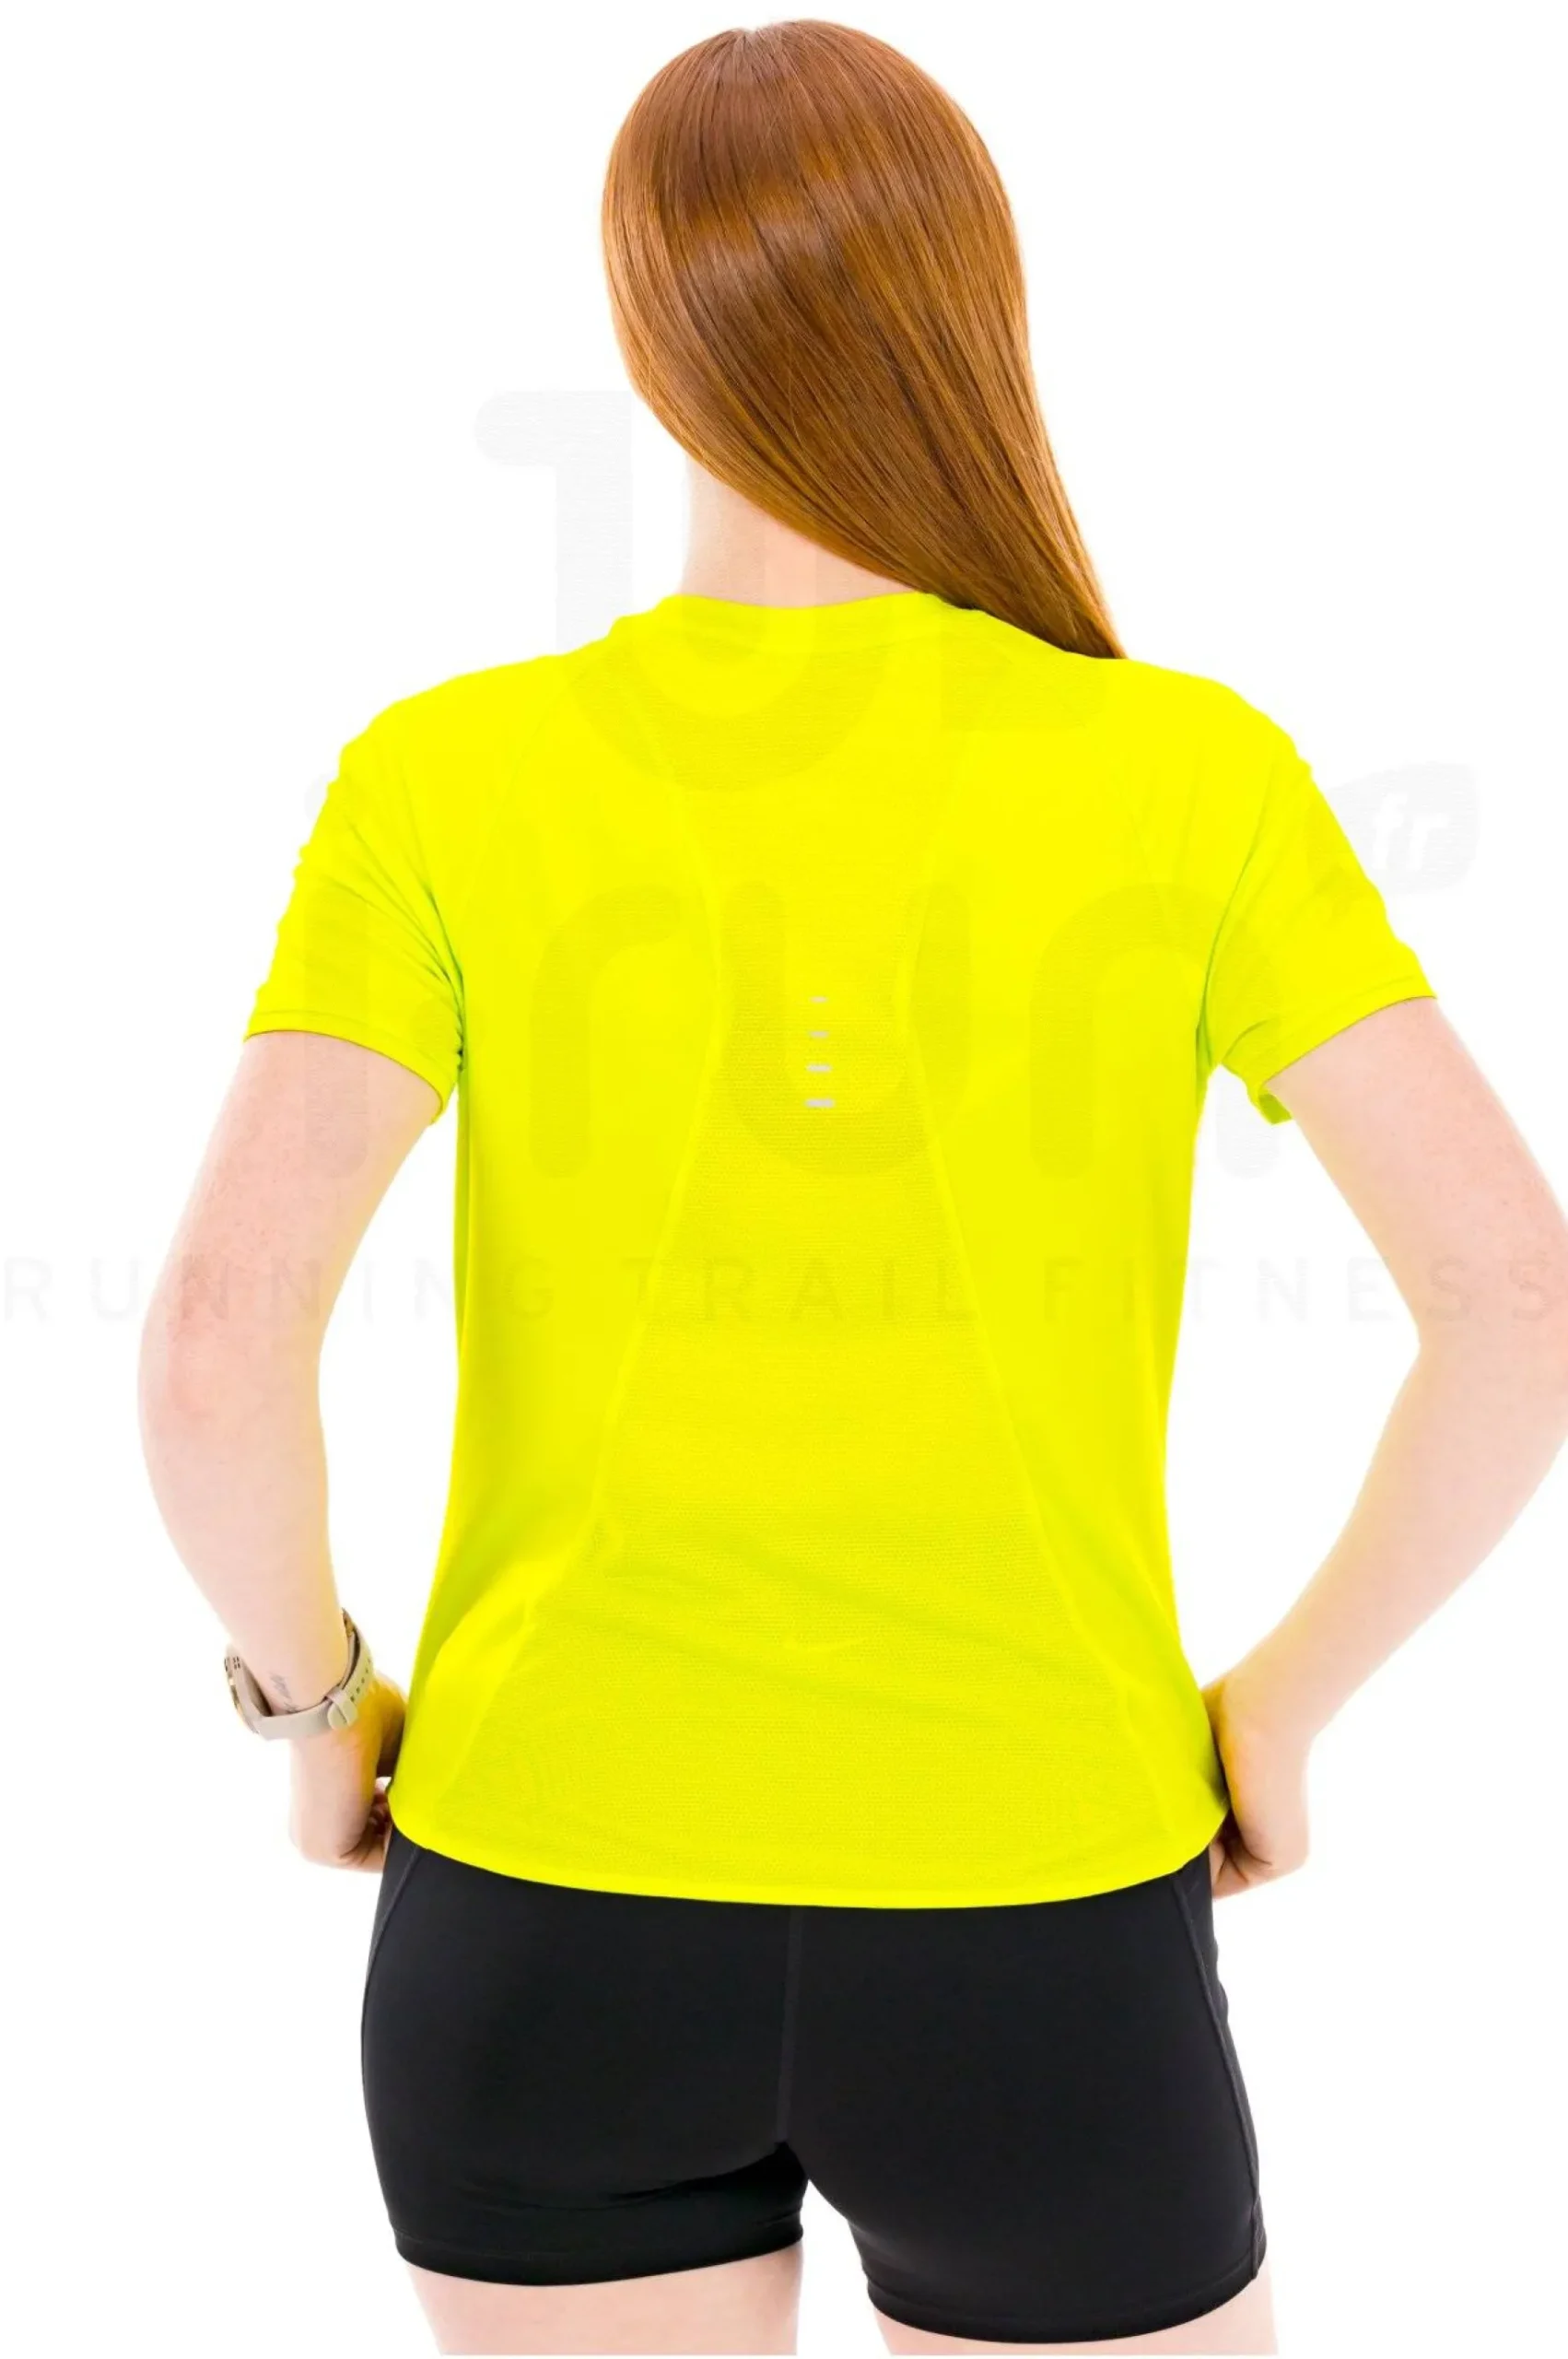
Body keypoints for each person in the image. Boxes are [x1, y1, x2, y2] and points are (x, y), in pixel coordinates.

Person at [137, 21, 1568, 2359]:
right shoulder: (1184, 774)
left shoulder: (444, 776)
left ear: (646, 338)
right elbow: (1511, 1293)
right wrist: (1274, 1713)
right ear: (974, 312)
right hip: (1039, 1914)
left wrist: (314, 1712)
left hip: (535, 1910)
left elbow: (213, 1340)